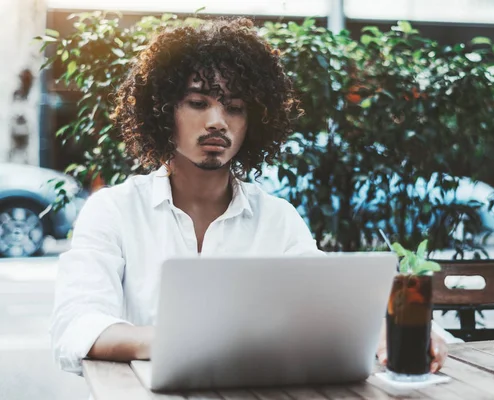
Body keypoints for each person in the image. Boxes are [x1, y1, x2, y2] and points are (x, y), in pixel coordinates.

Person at [50, 18, 448, 377]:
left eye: (235, 108)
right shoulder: (114, 210)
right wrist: (181, 342)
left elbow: (328, 298)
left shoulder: (276, 217)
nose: (217, 121)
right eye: (198, 102)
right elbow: (78, 326)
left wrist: (392, 328)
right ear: (163, 111)